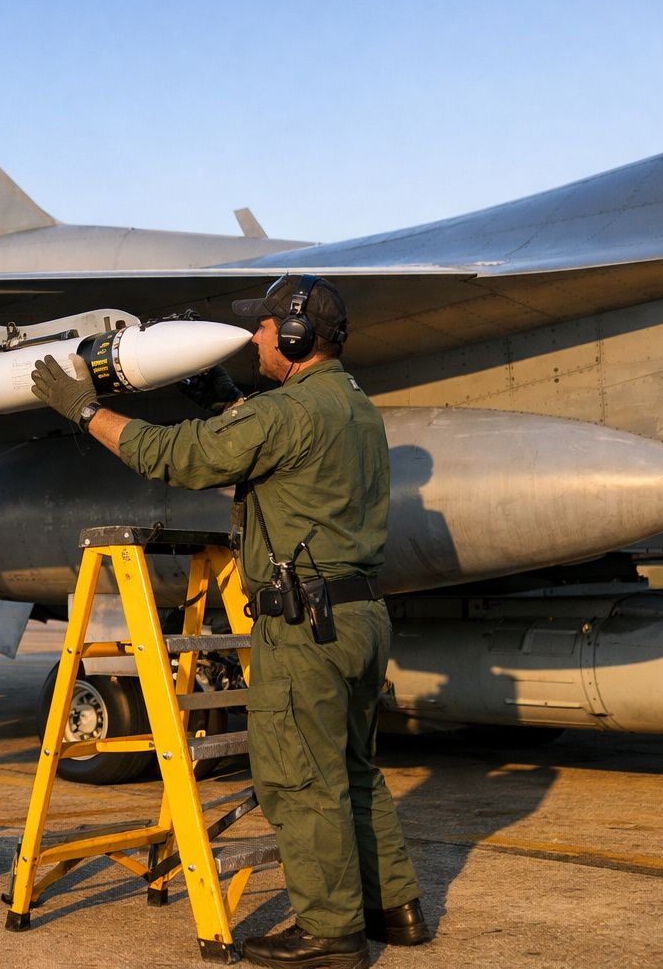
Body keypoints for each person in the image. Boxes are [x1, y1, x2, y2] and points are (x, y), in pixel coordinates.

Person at [31, 274, 430, 968]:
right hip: (361, 616)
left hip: (304, 626)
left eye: (268, 328)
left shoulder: (287, 413)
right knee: (355, 769)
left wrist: (82, 409)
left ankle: (332, 934)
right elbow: (278, 448)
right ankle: (395, 910)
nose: (257, 336)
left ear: (299, 338)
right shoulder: (354, 405)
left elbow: (173, 457)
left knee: (300, 777)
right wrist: (222, 398)